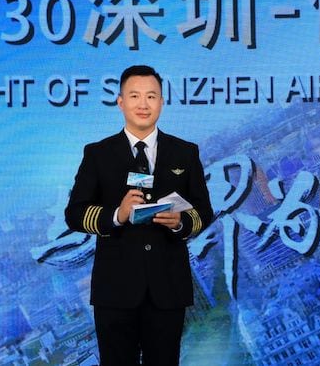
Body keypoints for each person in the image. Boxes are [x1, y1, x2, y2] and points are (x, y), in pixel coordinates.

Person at [64, 65, 213, 366]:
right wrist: (117, 214)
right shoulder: (98, 154)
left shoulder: (185, 152)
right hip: (115, 290)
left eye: (151, 96)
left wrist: (181, 223)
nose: (143, 104)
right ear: (120, 102)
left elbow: (204, 211)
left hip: (168, 286)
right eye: (134, 96)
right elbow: (75, 213)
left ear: (162, 102)